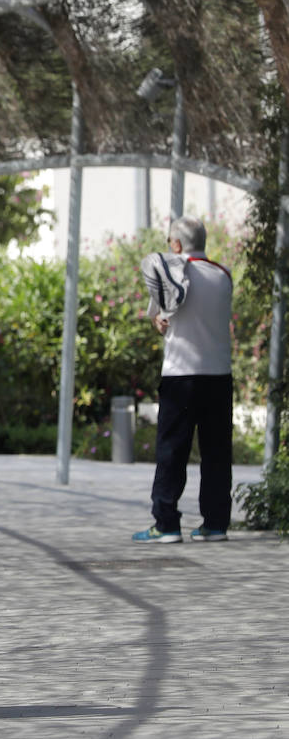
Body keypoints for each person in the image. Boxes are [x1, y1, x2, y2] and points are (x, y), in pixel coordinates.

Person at [133, 216, 234, 544]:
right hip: (219, 376)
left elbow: (163, 316)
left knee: (172, 452)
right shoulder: (223, 275)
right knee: (217, 452)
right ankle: (216, 524)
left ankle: (166, 524)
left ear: (176, 244)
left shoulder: (173, 272)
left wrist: (159, 323)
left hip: (181, 376)